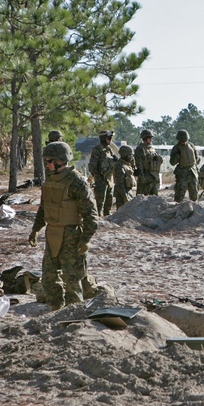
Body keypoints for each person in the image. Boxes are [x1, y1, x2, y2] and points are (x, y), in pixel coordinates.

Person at [29, 142, 99, 310]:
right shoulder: (50, 181)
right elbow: (44, 208)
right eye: (46, 160)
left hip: (71, 237)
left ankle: (74, 315)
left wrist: (85, 239)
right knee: (48, 279)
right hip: (52, 234)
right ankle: (55, 311)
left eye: (50, 160)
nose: (47, 164)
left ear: (61, 160)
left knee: (72, 281)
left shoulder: (77, 182)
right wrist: (35, 229)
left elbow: (91, 215)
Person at [88, 130, 118, 216]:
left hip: (110, 181)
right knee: (99, 205)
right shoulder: (97, 150)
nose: (110, 140)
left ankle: (106, 222)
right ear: (103, 139)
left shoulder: (109, 150)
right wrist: (98, 177)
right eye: (109, 138)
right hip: (101, 181)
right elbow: (92, 166)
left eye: (111, 138)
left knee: (108, 205)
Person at [169, 129, 200, 203]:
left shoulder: (191, 145)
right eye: (182, 140)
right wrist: (177, 155)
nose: (184, 142)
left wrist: (195, 163)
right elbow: (172, 162)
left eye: (185, 140)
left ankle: (194, 209)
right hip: (182, 174)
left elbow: (197, 158)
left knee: (194, 194)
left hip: (193, 173)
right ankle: (178, 209)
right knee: (180, 194)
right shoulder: (176, 148)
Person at [134, 129, 163, 196]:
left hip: (154, 177)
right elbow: (139, 164)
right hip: (146, 178)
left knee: (154, 199)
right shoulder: (140, 149)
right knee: (142, 199)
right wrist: (142, 177)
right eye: (150, 138)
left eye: (151, 138)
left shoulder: (152, 149)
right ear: (145, 138)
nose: (151, 139)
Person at [113, 145, 136, 210]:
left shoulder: (127, 165)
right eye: (130, 155)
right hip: (122, 196)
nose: (131, 157)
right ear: (125, 155)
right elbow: (120, 184)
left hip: (128, 192)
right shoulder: (120, 166)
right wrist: (125, 197)